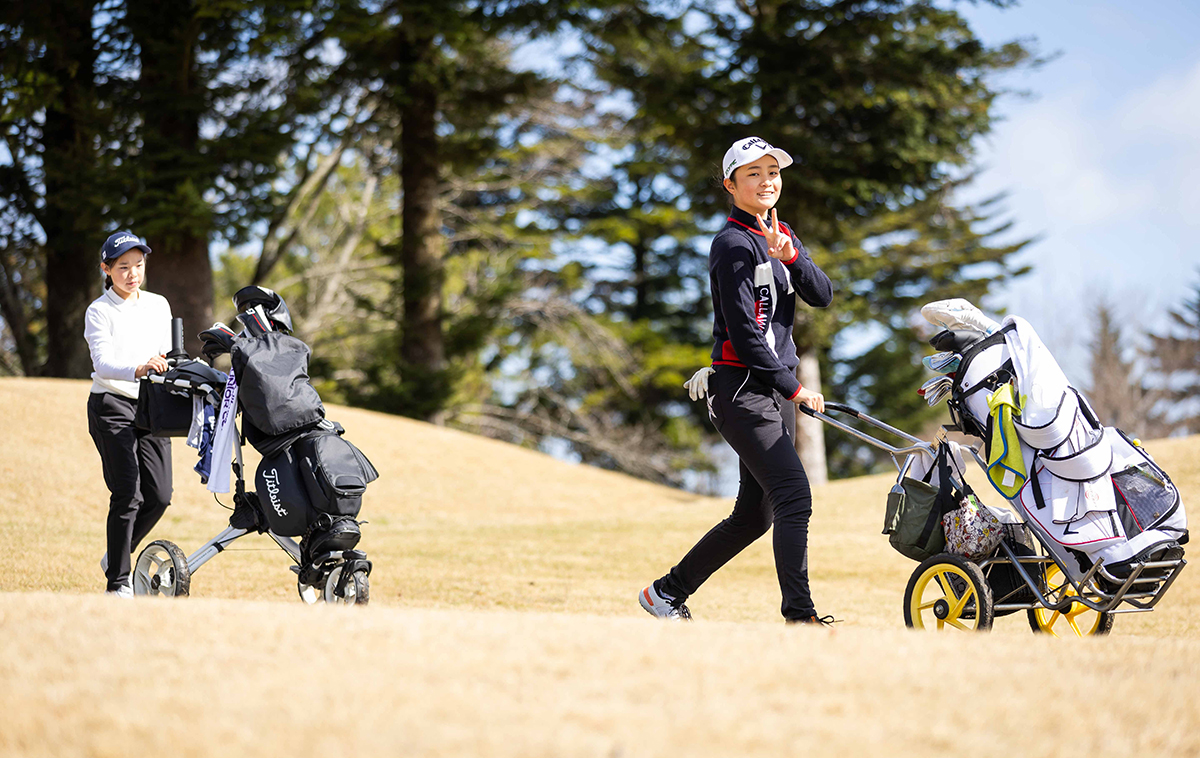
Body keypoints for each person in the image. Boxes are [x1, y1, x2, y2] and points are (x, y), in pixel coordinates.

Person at [639, 137, 834, 624]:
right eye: (754, 174)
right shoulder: (730, 244)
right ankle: (800, 616)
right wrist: (796, 388)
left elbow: (822, 294)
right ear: (730, 185)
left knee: (753, 515)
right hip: (743, 390)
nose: (767, 181)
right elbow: (745, 335)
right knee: (794, 495)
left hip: (774, 391)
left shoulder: (781, 233)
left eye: (773, 171)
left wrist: (792, 257)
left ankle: (665, 593)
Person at [85, 231, 174, 597]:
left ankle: (117, 554)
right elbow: (103, 363)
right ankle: (118, 583)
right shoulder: (98, 310)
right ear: (106, 269)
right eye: (123, 267)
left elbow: (167, 353)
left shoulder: (158, 304)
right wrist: (139, 367)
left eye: (138, 265)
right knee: (128, 493)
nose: (132, 273)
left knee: (160, 494)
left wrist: (168, 366)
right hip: (111, 405)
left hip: (152, 406)